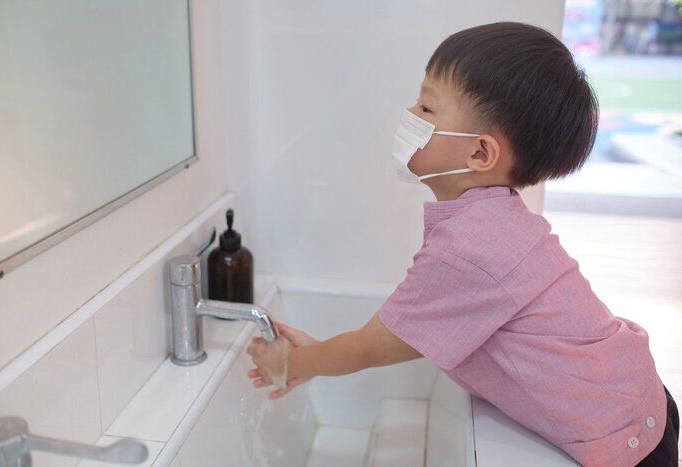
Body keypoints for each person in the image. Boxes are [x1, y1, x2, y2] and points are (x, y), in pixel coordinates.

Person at [246, 22, 679, 467]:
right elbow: (389, 334)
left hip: (626, 437)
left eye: (427, 107)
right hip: (639, 399)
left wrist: (291, 364)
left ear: (479, 154)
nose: (409, 113)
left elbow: (369, 348)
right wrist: (312, 354)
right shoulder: (491, 222)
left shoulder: (471, 248)